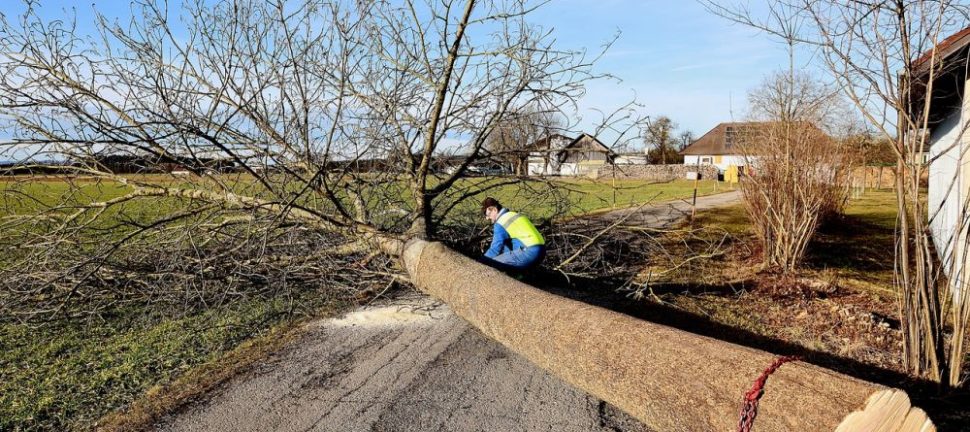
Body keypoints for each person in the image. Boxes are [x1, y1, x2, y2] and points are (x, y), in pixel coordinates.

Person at [480, 197, 545, 271]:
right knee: (505, 245)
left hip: (528, 252)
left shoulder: (500, 222)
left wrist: (481, 262)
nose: (487, 218)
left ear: (495, 210)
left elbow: (495, 248)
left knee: (493, 263)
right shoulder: (515, 214)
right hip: (542, 250)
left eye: (488, 215)